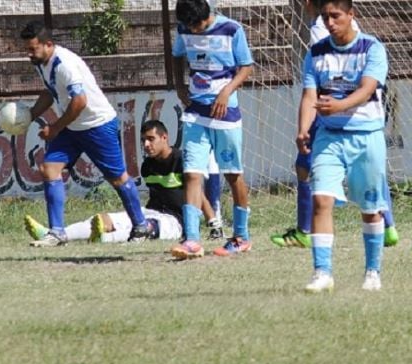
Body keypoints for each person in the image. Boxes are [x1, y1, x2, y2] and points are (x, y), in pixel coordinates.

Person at [270, 0, 399, 249]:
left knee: (305, 167)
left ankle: (306, 230)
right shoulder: (338, 23)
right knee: (368, 171)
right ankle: (388, 225)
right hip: (339, 114)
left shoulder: (323, 29)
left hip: (340, 116)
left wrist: (333, 108)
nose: (331, 22)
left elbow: (330, 85)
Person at [19, 20, 151, 247]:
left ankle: (141, 226)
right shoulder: (42, 63)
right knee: (49, 168)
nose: (29, 54)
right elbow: (50, 93)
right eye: (27, 49)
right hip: (73, 127)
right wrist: (30, 115)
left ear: (48, 44)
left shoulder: (65, 64)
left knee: (118, 178)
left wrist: (55, 128)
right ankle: (57, 232)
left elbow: (80, 102)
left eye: (33, 49)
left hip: (97, 125)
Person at [297, 0, 389, 292]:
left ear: (351, 15)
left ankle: (373, 271)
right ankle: (322, 273)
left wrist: (338, 106)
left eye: (335, 16)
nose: (329, 22)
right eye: (325, 16)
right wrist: (302, 129)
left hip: (367, 136)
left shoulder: (372, 48)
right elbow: (310, 95)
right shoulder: (315, 52)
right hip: (329, 137)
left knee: (370, 208)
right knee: (321, 199)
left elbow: (366, 90)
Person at [24, 120, 221, 243]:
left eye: (151, 139)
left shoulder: (181, 160)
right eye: (144, 139)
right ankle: (56, 234)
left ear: (164, 137)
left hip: (176, 221)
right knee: (103, 219)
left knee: (147, 228)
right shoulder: (148, 166)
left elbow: (198, 194)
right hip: (150, 212)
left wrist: (213, 222)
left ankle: (105, 238)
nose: (146, 144)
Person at [169, 0, 254, 259]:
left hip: (225, 114)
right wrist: (180, 86)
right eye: (188, 27)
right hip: (196, 112)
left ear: (208, 16)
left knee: (232, 173)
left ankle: (241, 236)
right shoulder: (185, 30)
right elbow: (176, 57)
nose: (193, 31)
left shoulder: (231, 29)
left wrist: (226, 92)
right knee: (193, 173)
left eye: (197, 26)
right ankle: (192, 240)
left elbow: (247, 67)